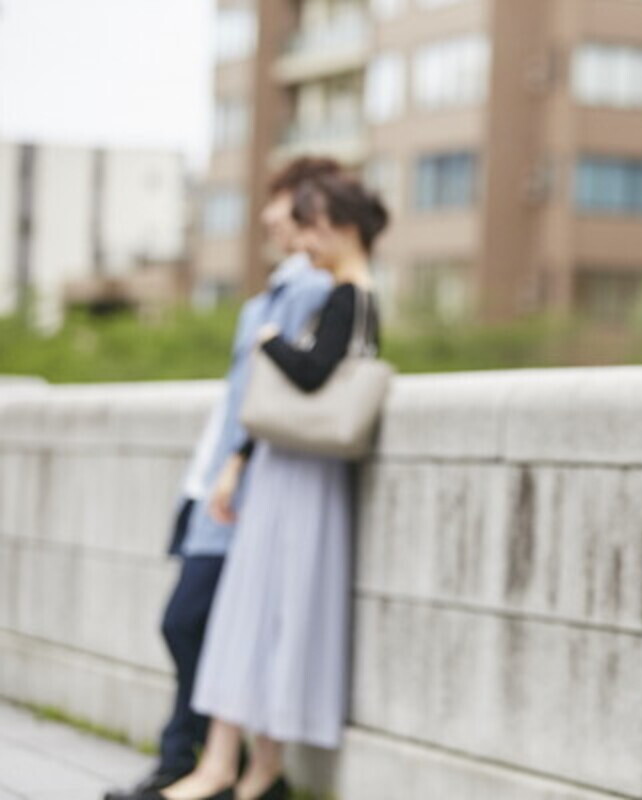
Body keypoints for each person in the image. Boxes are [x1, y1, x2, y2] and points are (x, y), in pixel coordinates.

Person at [103, 157, 341, 800]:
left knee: (190, 620)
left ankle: (199, 761)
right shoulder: (269, 295)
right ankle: (203, 761)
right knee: (195, 623)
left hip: (245, 487)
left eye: (282, 200)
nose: (270, 214)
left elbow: (286, 392)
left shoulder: (313, 291)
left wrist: (237, 463)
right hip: (210, 479)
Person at [150, 170, 387, 800]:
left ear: (338, 226)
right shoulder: (341, 293)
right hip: (291, 472)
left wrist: (270, 341)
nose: (303, 242)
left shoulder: (348, 296)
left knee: (271, 615)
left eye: (310, 227)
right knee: (252, 616)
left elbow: (310, 375)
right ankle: (235, 767)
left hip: (302, 478)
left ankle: (250, 771)